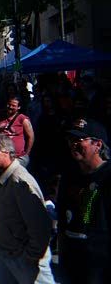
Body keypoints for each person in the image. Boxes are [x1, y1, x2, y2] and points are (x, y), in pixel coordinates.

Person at [0, 130, 54, 284]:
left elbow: (41, 227)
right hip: (5, 253)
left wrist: (31, 256)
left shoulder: (21, 182)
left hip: (24, 258)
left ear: (6, 152)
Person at [57, 121, 111, 283]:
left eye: (80, 140)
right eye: (71, 140)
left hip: (100, 264)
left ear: (97, 144)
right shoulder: (70, 175)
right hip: (71, 259)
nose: (73, 144)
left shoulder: (107, 177)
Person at [0, 96, 34, 167]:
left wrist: (27, 154)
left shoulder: (23, 119)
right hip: (0, 154)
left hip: (18, 157)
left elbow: (31, 137)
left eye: (13, 105)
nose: (10, 107)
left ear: (19, 107)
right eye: (9, 104)